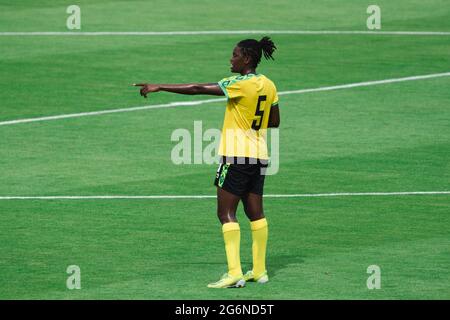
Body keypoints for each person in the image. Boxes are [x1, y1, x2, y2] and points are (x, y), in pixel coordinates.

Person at [134, 36, 280, 288]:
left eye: (234, 55)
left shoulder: (239, 84)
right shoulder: (268, 85)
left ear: (246, 58)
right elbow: (274, 121)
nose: (230, 59)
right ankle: (259, 270)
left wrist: (159, 86)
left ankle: (234, 273)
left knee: (225, 213)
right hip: (259, 155)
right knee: (255, 214)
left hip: (235, 157)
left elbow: (196, 88)